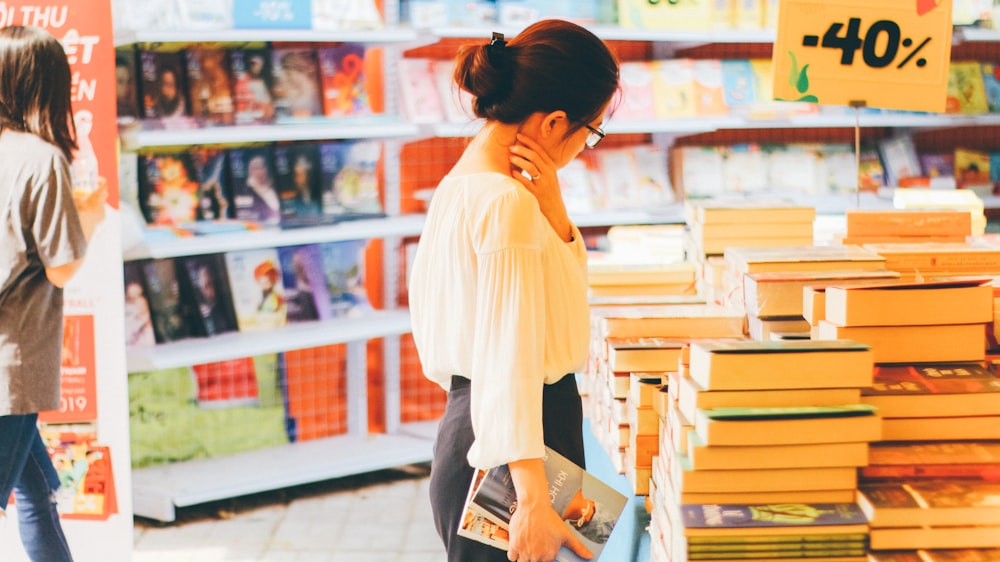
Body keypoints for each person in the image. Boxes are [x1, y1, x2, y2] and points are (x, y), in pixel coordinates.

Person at [407, 19, 619, 562]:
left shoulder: (463, 186)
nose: (586, 145)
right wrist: (531, 501)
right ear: (553, 122)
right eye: (590, 131)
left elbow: (549, 314)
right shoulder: (507, 205)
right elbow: (508, 356)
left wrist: (556, 213)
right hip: (518, 447)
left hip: (493, 430)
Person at [0, 25, 107, 562]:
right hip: (10, 367)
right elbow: (62, 268)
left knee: (37, 489)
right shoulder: (38, 159)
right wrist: (89, 218)